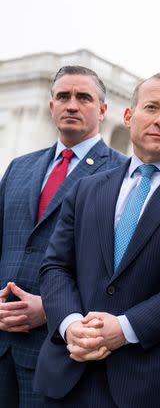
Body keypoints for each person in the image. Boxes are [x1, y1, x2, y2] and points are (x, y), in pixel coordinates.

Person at [33, 73, 160, 407]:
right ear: (128, 117)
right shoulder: (87, 189)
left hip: (150, 382)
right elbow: (55, 265)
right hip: (70, 373)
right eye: (152, 107)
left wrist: (125, 328)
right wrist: (70, 326)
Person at [0, 65, 126, 407]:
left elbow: (124, 270)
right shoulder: (19, 167)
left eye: (83, 97)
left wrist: (54, 310)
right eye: (63, 97)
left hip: (59, 355)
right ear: (51, 106)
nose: (72, 105)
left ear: (102, 110)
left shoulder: (123, 175)